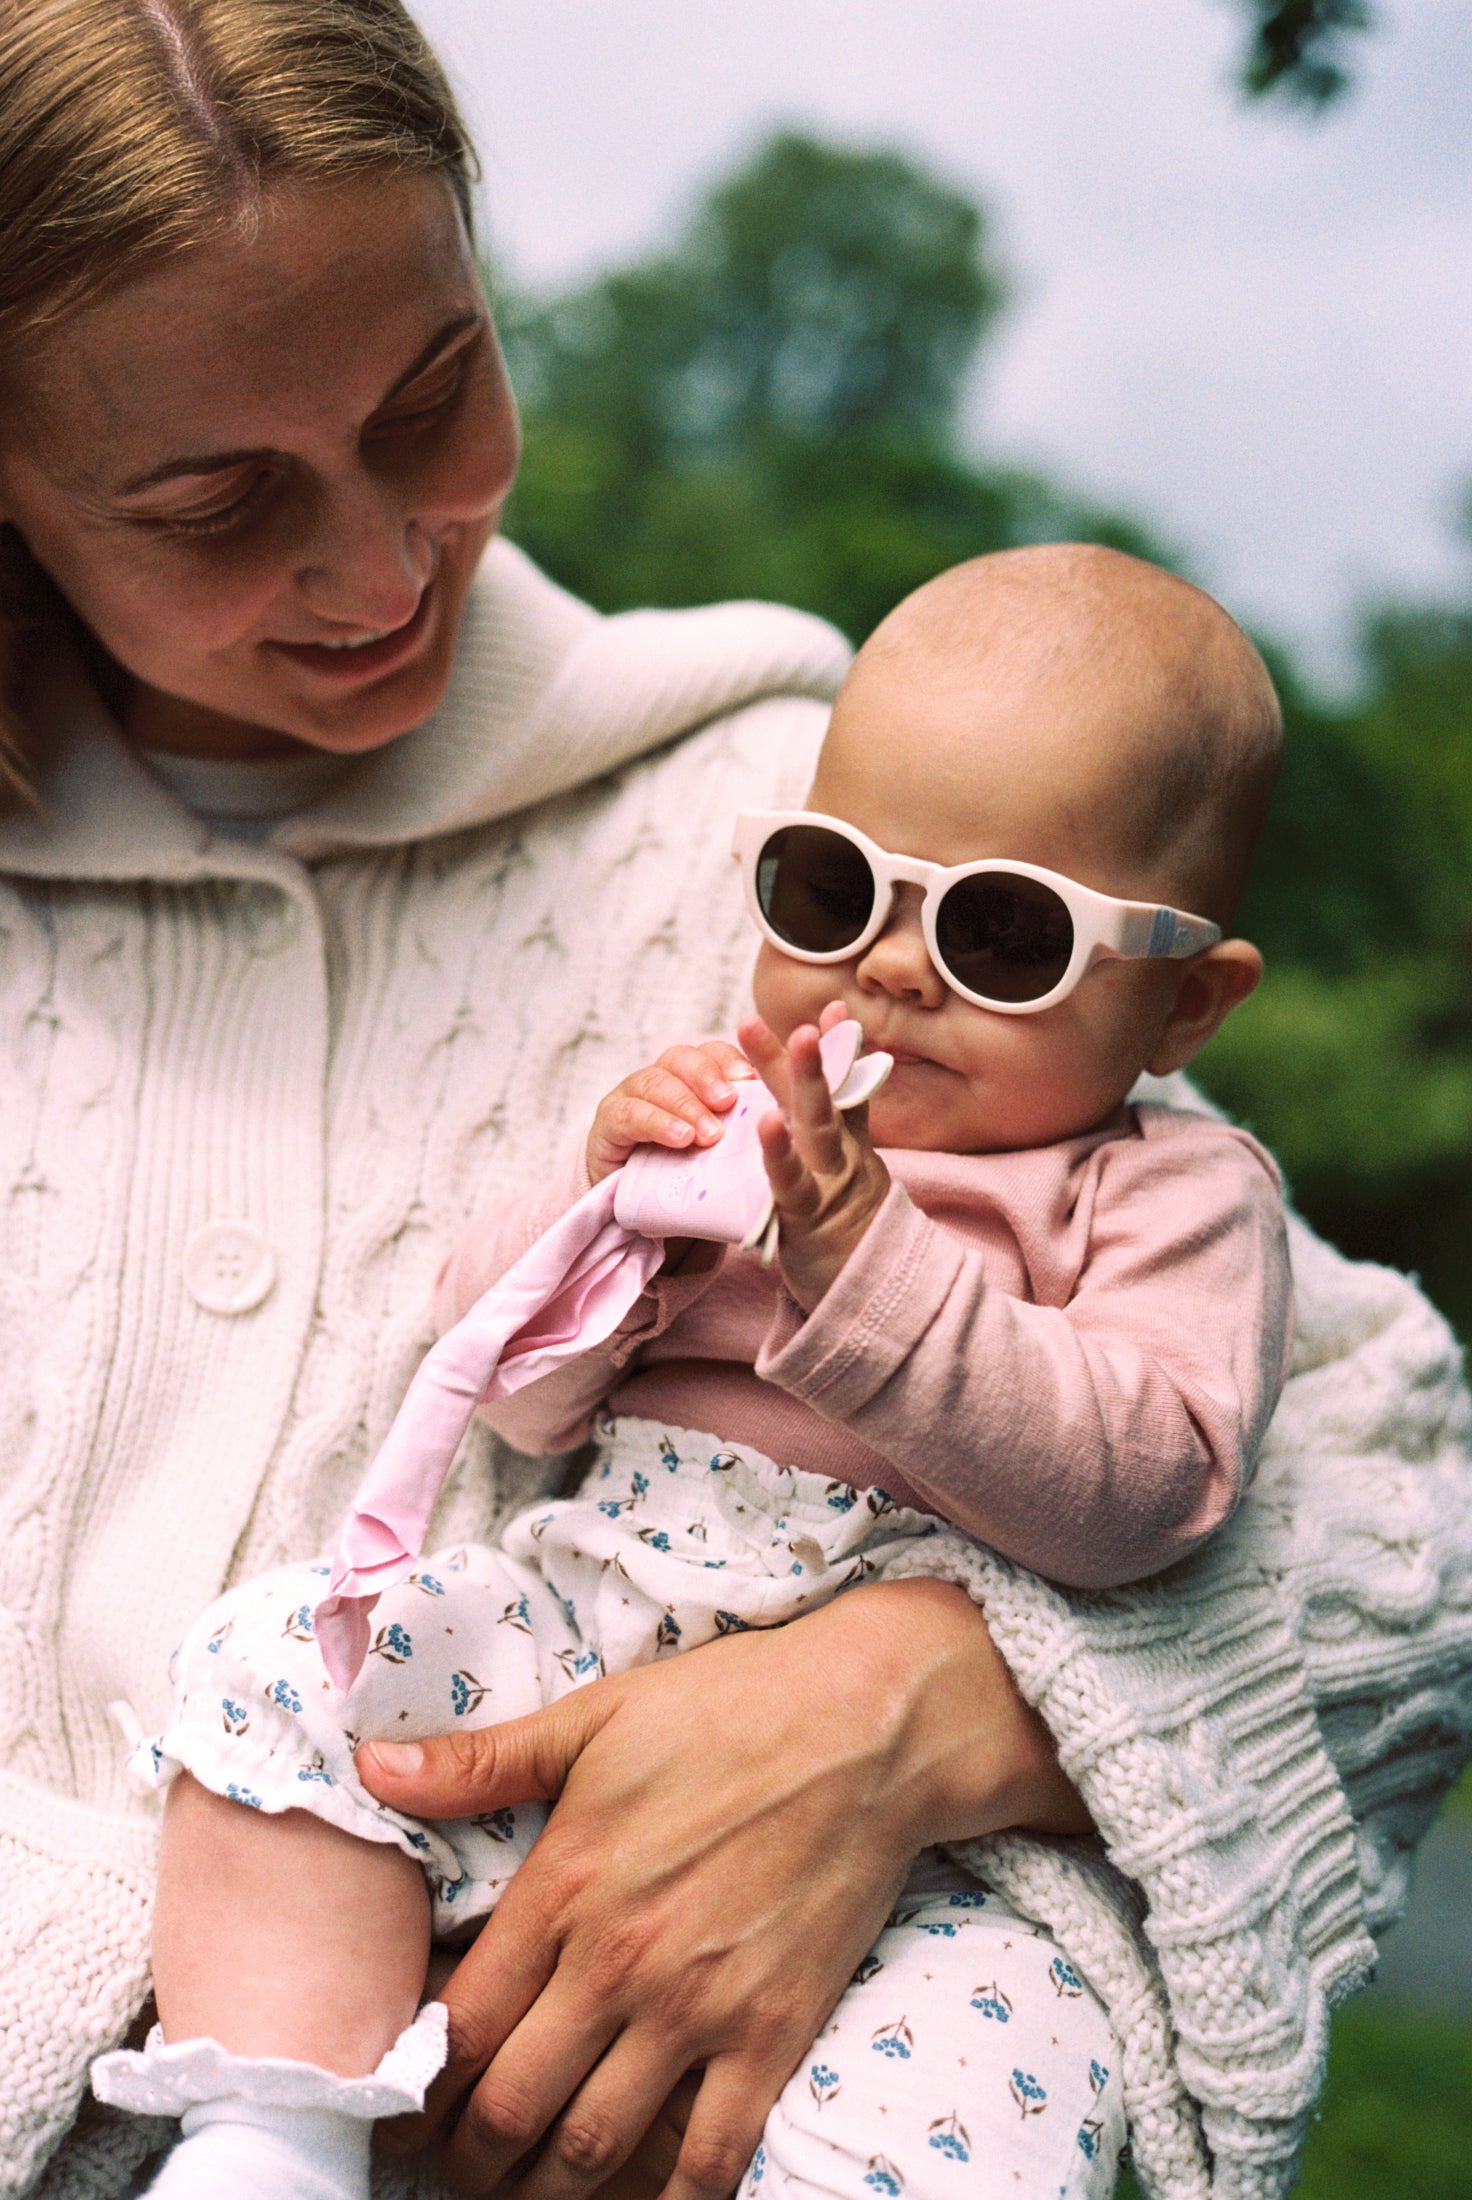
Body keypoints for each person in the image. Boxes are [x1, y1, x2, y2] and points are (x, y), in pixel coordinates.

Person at [0, 7, 1466, 2200]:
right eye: (216, 501)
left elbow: (1394, 1524)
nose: (389, 564)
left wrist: (926, 1693)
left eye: (434, 396)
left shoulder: (808, 831)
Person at [96, 551, 1297, 2200]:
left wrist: (868, 1264)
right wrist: (609, 1220)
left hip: (931, 1861)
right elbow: (513, 1399)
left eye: (999, 931)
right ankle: (272, 2137)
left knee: (1008, 2084)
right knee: (279, 1662)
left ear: (1183, 1003)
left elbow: (1150, 1488)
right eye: (830, 889)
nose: (885, 968)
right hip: (574, 1639)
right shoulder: (734, 1102)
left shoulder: (1162, 1193)